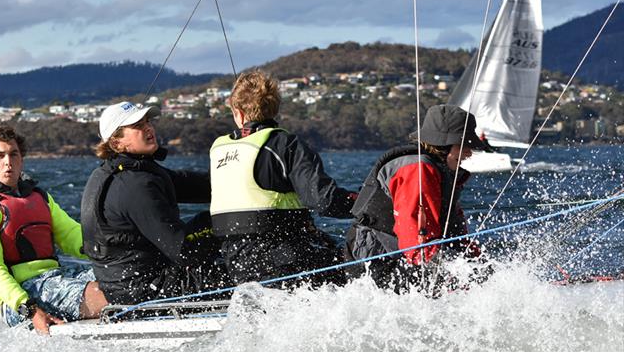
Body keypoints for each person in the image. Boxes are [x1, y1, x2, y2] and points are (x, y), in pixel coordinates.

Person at [209, 70, 357, 287]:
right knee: (354, 261)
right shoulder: (286, 145)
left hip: (236, 262)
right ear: (274, 108)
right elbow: (324, 201)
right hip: (283, 259)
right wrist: (364, 204)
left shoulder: (218, 149)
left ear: (238, 113)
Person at [0, 125, 107, 334]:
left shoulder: (38, 197)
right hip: (18, 298)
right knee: (106, 295)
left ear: (21, 160)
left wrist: (112, 250)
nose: (8, 162)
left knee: (127, 279)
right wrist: (30, 310)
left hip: (55, 277)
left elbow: (73, 235)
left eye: (13, 154)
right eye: (0, 155)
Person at [80, 101, 229, 306]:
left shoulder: (124, 172)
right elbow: (184, 250)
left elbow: (191, 185)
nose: (149, 127)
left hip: (129, 285)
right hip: (145, 291)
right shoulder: (135, 185)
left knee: (208, 223)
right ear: (116, 143)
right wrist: (229, 225)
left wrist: (239, 178)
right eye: (138, 125)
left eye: (148, 122)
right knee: (239, 262)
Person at [344, 104, 492, 291]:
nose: (469, 153)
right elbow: (416, 244)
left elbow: (456, 232)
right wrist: (456, 279)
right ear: (444, 145)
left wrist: (481, 268)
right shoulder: (418, 170)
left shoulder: (440, 172)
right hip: (377, 261)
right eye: (464, 146)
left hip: (404, 257)